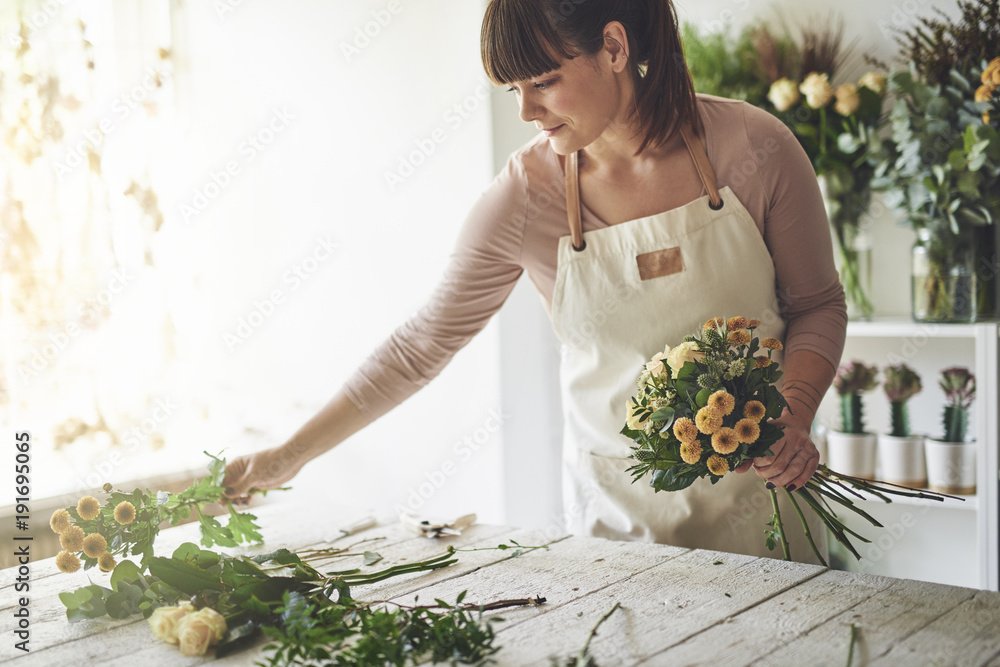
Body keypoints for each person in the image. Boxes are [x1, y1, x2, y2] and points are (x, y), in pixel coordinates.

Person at [223, 0, 846, 563]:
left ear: (615, 47)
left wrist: (793, 415)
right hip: (622, 534)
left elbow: (817, 305)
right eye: (513, 88)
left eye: (544, 81)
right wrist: (287, 456)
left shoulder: (755, 147)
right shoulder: (527, 195)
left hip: (768, 516)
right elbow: (419, 347)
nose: (525, 110)